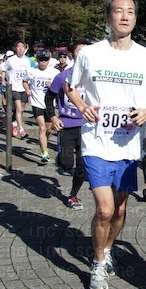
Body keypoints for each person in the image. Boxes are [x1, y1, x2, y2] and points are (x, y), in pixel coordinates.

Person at [65, 0, 146, 289]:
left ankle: (108, 249)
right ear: (108, 17)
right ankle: (98, 263)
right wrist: (82, 106)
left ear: (135, 19)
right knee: (104, 209)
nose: (124, 16)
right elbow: (69, 86)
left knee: (120, 211)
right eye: (118, 11)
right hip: (96, 142)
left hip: (128, 145)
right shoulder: (90, 53)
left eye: (130, 12)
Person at [45, 40, 89, 209]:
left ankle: (73, 196)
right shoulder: (63, 76)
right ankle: (61, 159)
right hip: (67, 125)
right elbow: (49, 97)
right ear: (71, 55)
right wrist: (53, 118)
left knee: (82, 165)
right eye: (79, 52)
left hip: (87, 127)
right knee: (66, 164)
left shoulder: (95, 77)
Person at [24, 49, 59, 162]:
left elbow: (60, 86)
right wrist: (27, 89)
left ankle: (43, 143)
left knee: (48, 130)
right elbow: (24, 81)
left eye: (45, 60)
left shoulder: (54, 72)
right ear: (37, 60)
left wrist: (52, 85)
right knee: (42, 128)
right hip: (36, 102)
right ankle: (44, 153)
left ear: (49, 60)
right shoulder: (32, 71)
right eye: (41, 60)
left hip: (49, 104)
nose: (43, 62)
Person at [3, 41, 33, 139]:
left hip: (24, 88)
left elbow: (29, 74)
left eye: (22, 47)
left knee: (21, 109)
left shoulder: (27, 61)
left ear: (25, 49)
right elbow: (3, 70)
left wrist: (30, 87)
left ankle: (14, 122)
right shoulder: (11, 60)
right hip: (14, 87)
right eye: (18, 47)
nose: (20, 48)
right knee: (19, 108)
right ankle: (21, 129)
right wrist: (3, 81)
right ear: (15, 48)